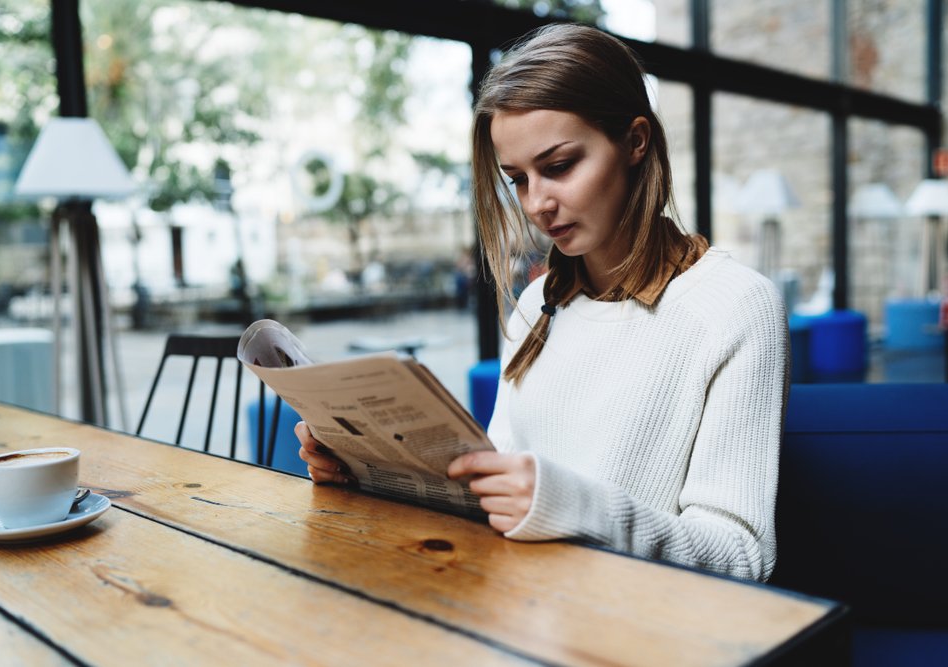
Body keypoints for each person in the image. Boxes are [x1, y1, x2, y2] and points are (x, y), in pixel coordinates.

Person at [296, 22, 789, 582]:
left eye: (558, 167)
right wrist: (363, 469)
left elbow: (743, 557)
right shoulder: (537, 303)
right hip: (520, 604)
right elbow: (493, 492)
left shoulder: (735, 306)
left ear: (635, 141)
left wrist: (572, 506)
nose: (537, 204)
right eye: (518, 180)